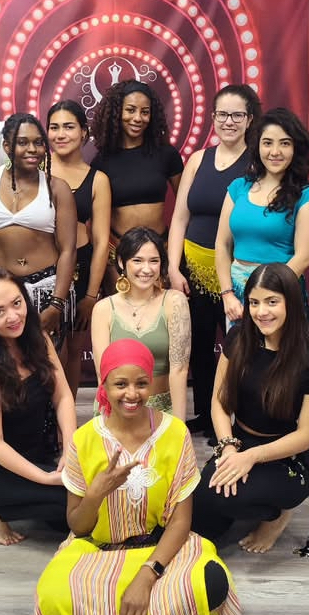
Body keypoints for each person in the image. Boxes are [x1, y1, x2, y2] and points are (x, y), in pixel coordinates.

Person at [14, 338, 245, 615]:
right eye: (120, 384)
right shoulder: (84, 439)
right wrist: (96, 494)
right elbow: (78, 526)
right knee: (53, 592)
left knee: (212, 581)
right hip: (97, 554)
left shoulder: (175, 433)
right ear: (104, 386)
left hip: (159, 552)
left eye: (141, 383)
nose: (132, 394)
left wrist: (147, 576)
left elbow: (181, 522)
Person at [191, 263, 309, 555]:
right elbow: (219, 402)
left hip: (286, 455)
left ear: (290, 303)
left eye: (272, 302)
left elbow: (306, 435)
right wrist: (229, 448)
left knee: (231, 498)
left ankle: (278, 515)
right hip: (239, 441)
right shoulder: (238, 339)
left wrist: (251, 457)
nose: (261, 312)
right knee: (203, 508)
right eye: (254, 302)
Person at [0, 267, 77, 545]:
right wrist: (46, 478)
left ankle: (32, 499)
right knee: (71, 501)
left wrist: (70, 450)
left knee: (86, 503)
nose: (13, 316)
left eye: (16, 303)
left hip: (36, 452)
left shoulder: (37, 338)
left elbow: (63, 397)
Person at [167, 84, 262, 436]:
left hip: (237, 274)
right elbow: (179, 218)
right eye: (223, 114)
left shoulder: (257, 163)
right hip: (192, 270)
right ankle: (207, 416)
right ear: (213, 118)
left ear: (249, 119)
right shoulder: (198, 159)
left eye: (237, 115)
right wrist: (173, 268)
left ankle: (241, 419)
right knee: (200, 346)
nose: (229, 121)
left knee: (243, 348)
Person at [0, 113, 77, 349]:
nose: (32, 149)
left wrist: (56, 304)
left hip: (48, 288)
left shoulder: (57, 187)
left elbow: (68, 250)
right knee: (5, 364)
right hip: (3, 291)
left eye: (38, 142)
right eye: (22, 142)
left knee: (49, 366)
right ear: (6, 146)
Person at [215, 107, 309, 323]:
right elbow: (222, 244)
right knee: (238, 346)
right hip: (236, 295)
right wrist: (227, 294)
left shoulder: (307, 195)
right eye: (267, 143)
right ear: (257, 146)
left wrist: (264, 298)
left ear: (296, 148)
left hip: (280, 294)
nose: (275, 151)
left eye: (285, 143)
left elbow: (303, 258)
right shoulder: (239, 187)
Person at [89, 80, 183, 292]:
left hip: (160, 252)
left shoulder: (167, 155)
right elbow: (95, 224)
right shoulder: (102, 161)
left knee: (162, 311)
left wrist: (174, 256)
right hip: (118, 254)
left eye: (145, 112)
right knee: (123, 312)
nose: (138, 118)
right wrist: (108, 260)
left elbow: (186, 208)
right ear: (117, 113)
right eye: (130, 110)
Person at [46, 100, 111, 396]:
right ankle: (40, 415)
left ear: (84, 132)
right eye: (54, 127)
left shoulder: (98, 179)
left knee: (72, 350)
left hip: (80, 269)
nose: (60, 134)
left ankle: (66, 416)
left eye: (69, 127)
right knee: (42, 350)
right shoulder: (34, 170)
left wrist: (90, 295)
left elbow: (101, 242)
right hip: (43, 270)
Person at [91, 227, 190, 419]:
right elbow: (103, 376)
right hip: (117, 410)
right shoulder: (103, 309)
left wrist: (179, 427)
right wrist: (111, 424)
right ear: (122, 262)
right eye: (137, 260)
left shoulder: (175, 302)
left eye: (154, 261)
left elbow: (179, 370)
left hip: (162, 410)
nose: (147, 269)